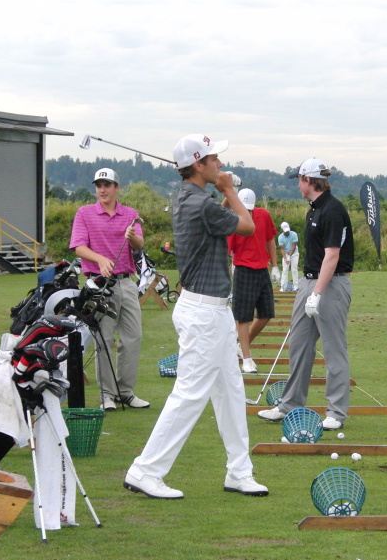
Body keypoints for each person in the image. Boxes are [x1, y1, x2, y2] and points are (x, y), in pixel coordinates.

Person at [124, 134, 268, 499]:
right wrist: (230, 189)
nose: (220, 164)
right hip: (204, 313)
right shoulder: (201, 202)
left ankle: (240, 471)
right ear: (198, 165)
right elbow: (247, 227)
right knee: (189, 395)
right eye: (214, 159)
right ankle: (145, 470)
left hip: (211, 310)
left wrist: (221, 191)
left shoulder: (187, 196)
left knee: (231, 392)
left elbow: (221, 217)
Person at [258, 158, 354, 431]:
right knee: (299, 345)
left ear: (309, 180)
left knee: (334, 350)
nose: (298, 185)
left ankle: (336, 412)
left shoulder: (333, 210)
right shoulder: (313, 210)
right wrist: (308, 291)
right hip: (308, 282)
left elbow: (332, 256)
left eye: (299, 180)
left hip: (331, 285)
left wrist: (318, 294)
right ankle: (289, 404)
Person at [69, 168, 149, 412]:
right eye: (99, 185)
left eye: (107, 185)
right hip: (100, 285)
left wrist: (132, 236)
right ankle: (107, 394)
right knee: (104, 339)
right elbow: (78, 247)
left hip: (126, 282)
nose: (102, 190)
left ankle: (125, 392)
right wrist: (101, 259)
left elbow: (139, 244)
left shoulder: (130, 214)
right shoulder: (85, 213)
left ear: (117, 188)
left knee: (133, 337)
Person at [228, 188, 280, 374]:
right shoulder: (233, 220)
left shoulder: (263, 215)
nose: (248, 212)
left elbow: (270, 240)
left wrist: (275, 266)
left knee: (266, 313)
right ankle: (247, 359)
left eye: (250, 208)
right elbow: (227, 250)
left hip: (262, 269)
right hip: (242, 269)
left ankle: (242, 346)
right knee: (243, 316)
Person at [278, 221, 299, 291]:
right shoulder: (280, 237)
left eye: (287, 230)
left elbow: (294, 246)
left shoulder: (294, 234)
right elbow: (282, 249)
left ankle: (296, 286)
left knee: (294, 269)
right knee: (285, 269)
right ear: (282, 230)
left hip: (294, 253)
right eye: (285, 231)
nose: (287, 232)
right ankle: (283, 286)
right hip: (286, 253)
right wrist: (285, 258)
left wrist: (289, 256)